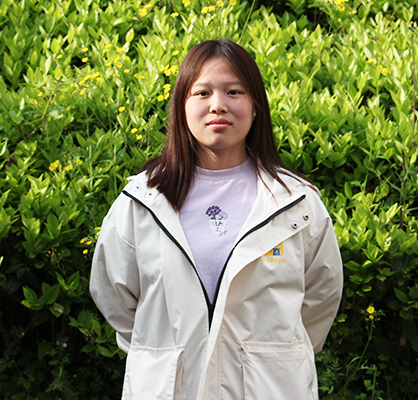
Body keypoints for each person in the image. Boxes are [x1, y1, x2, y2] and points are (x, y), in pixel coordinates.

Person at [90, 39, 343, 400]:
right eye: (202, 93)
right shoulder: (142, 201)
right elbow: (114, 294)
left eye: (234, 92)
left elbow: (321, 297)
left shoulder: (296, 203)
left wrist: (272, 354)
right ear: (182, 106)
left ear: (256, 107)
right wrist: (166, 348)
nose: (218, 105)